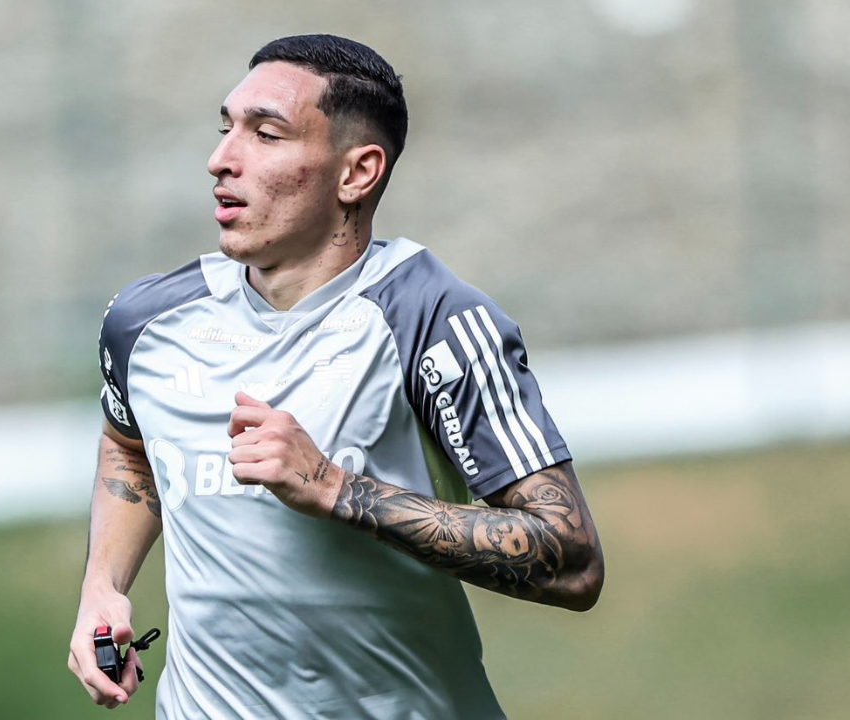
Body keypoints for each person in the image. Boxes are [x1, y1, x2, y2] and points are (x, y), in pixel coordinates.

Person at [68, 34, 604, 719]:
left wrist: (332, 487)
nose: (221, 159)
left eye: (266, 134)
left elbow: (570, 556)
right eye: (226, 128)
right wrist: (103, 586)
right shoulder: (146, 322)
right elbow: (130, 444)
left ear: (358, 173)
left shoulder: (432, 320)